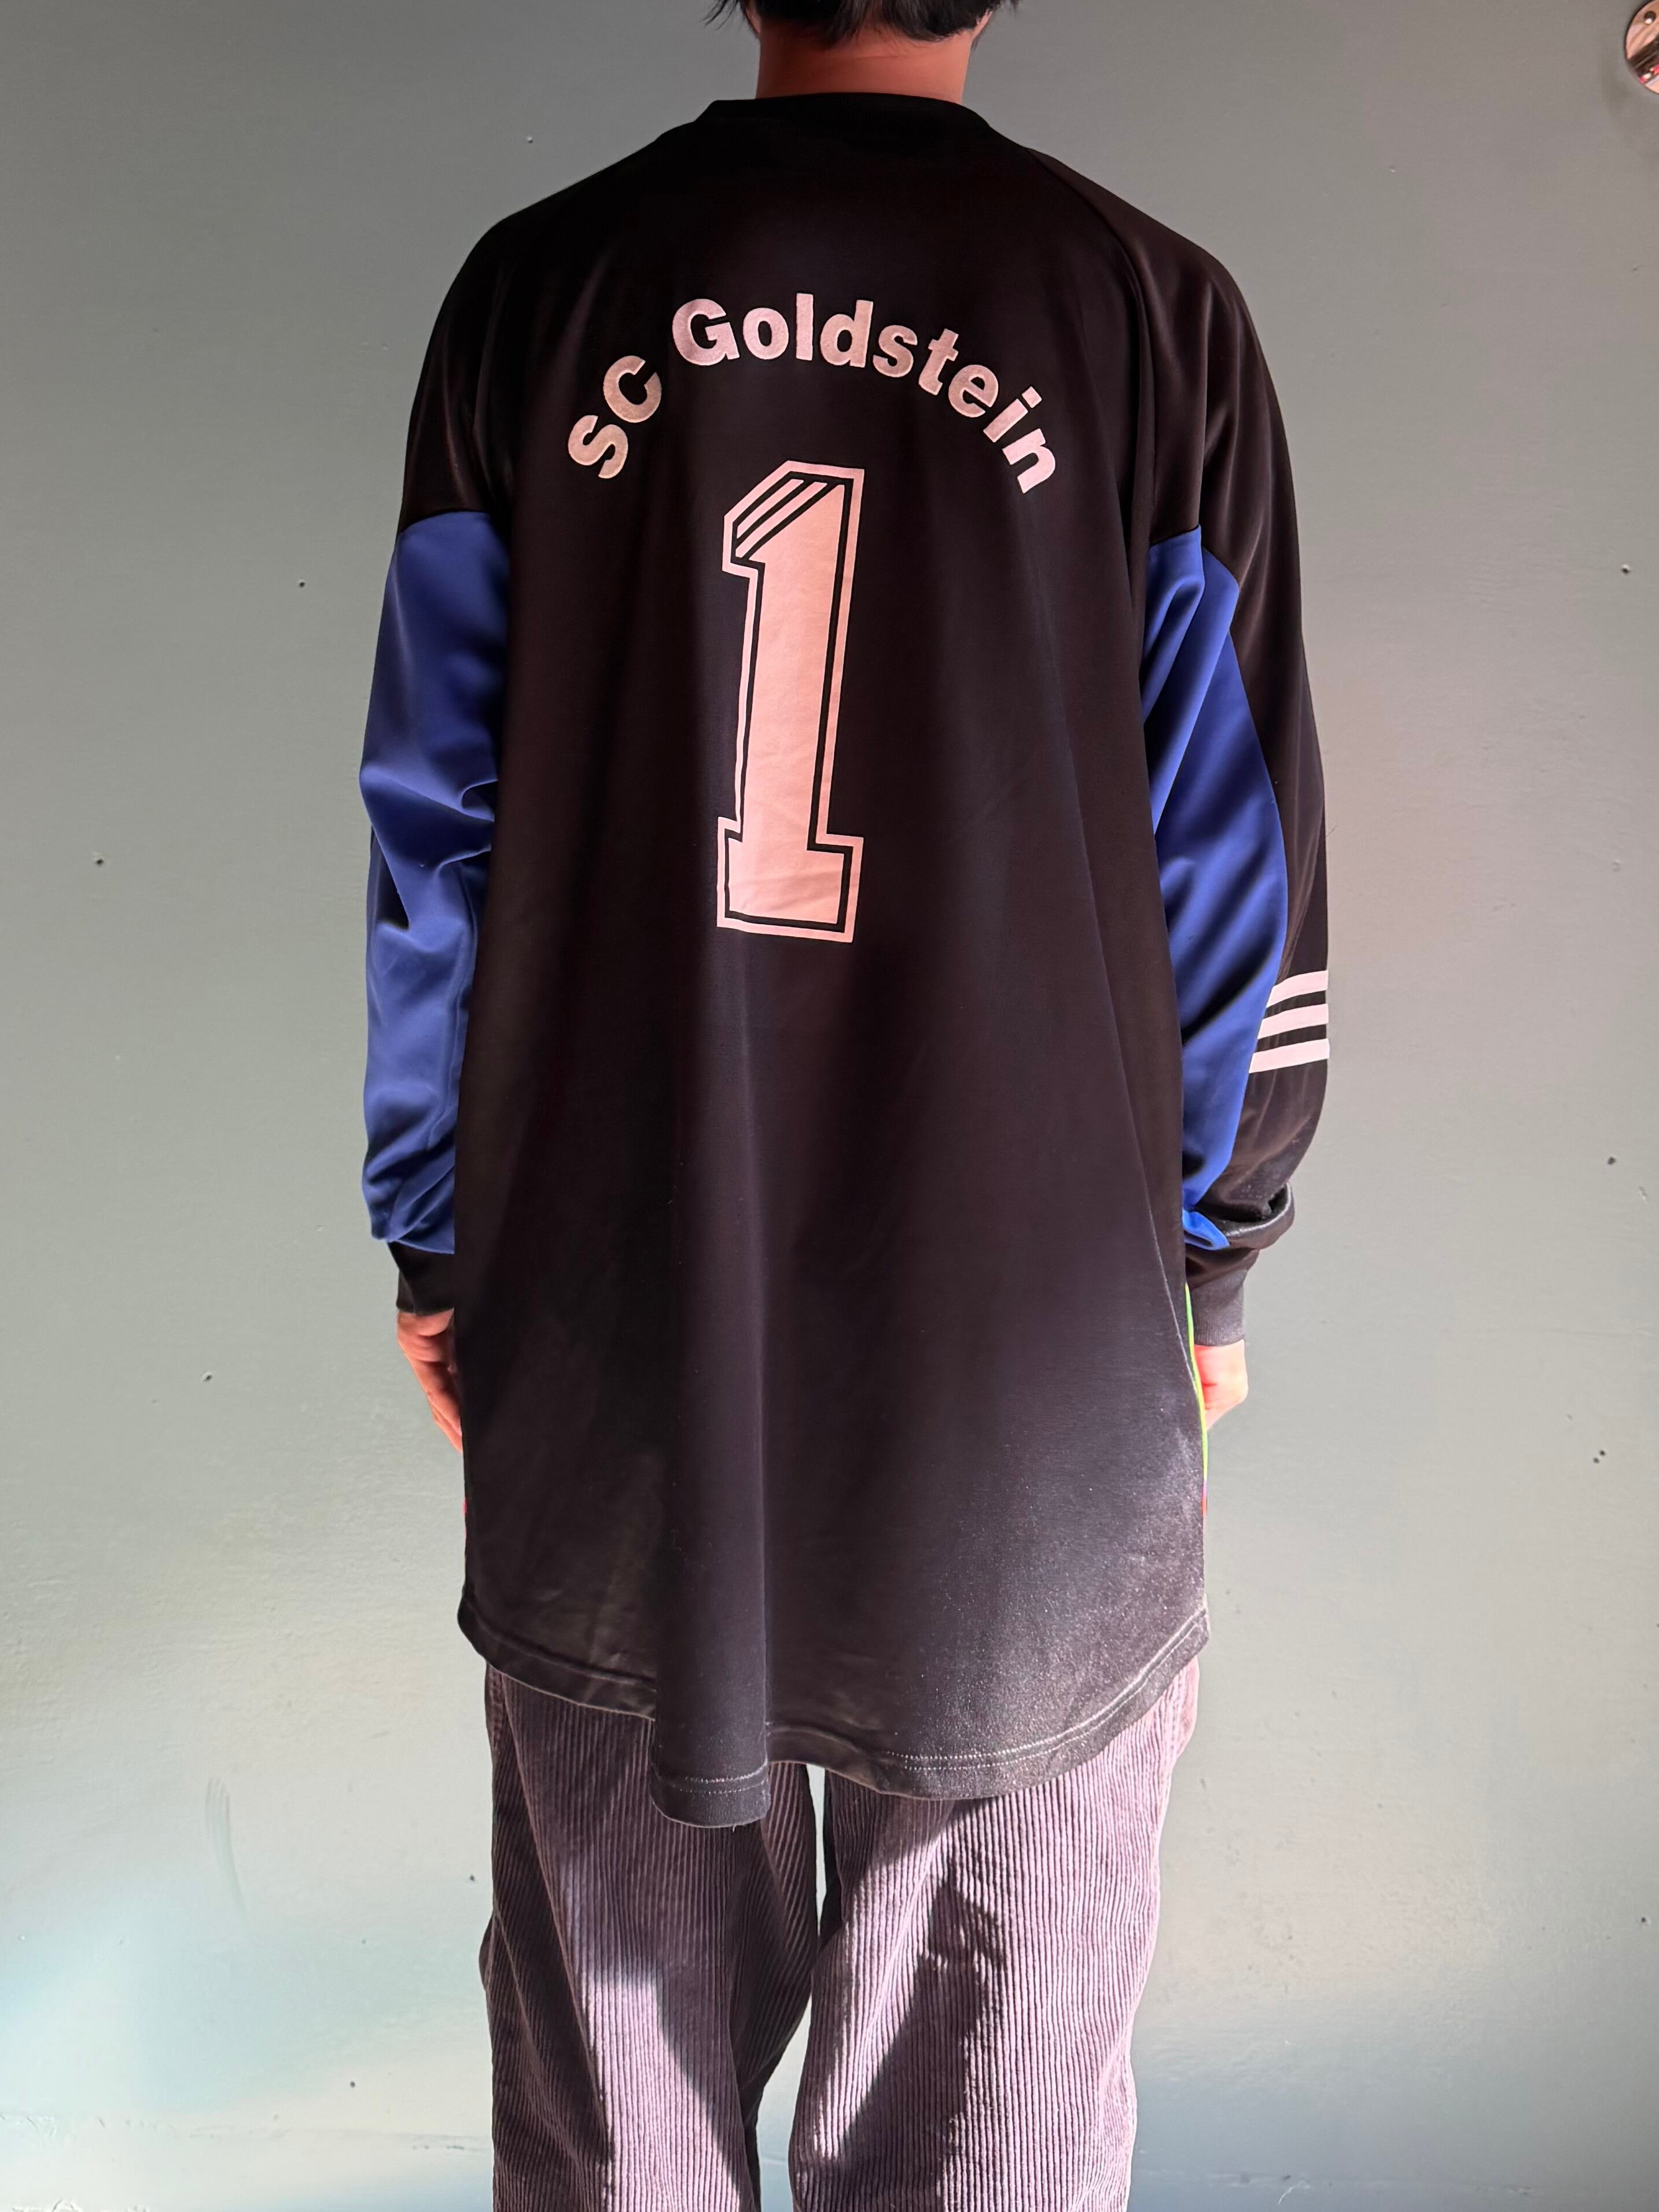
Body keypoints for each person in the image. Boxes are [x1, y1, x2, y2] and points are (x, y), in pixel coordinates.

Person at [358, 0, 1327, 2201]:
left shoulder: (542, 290)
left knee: (620, 2077)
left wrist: (441, 1233)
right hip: (1034, 1335)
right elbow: (1234, 849)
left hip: (615, 1291)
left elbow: (436, 824)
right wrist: (1215, 1251)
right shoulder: (1144, 305)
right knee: (996, 2068)